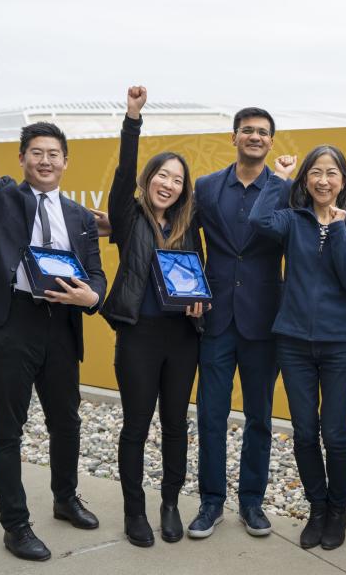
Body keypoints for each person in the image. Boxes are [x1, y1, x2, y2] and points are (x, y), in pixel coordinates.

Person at [0, 56, 107, 562]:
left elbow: (95, 272)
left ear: (66, 161)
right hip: (9, 323)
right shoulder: (2, 197)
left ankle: (65, 498)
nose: (46, 161)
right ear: (23, 158)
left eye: (54, 154)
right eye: (37, 153)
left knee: (67, 422)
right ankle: (16, 525)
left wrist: (91, 296)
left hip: (60, 324)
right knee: (8, 429)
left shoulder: (79, 217)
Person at [249, 146, 346, 550]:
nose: (323, 180)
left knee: (334, 433)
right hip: (293, 341)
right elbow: (259, 219)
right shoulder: (293, 220)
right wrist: (280, 180)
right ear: (305, 180)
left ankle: (337, 511)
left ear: (343, 181)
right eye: (315, 173)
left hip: (340, 344)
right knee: (304, 432)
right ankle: (316, 508)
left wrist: (337, 229)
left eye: (331, 173)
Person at [99, 86, 206, 547]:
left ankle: (169, 504)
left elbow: (201, 278)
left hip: (182, 337)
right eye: (162, 175)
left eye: (177, 179)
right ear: (149, 180)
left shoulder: (187, 227)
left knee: (176, 425)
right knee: (137, 425)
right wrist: (132, 119)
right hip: (139, 336)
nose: (169, 184)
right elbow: (124, 173)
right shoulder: (128, 217)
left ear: (184, 189)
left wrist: (204, 302)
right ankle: (134, 511)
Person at [188, 107, 291, 539]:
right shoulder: (207, 187)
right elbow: (186, 239)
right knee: (211, 414)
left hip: (264, 320)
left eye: (262, 132)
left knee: (260, 418)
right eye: (247, 130)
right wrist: (191, 290)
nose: (254, 137)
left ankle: (252, 502)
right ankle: (211, 502)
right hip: (215, 317)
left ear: (271, 141)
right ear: (233, 137)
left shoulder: (284, 189)